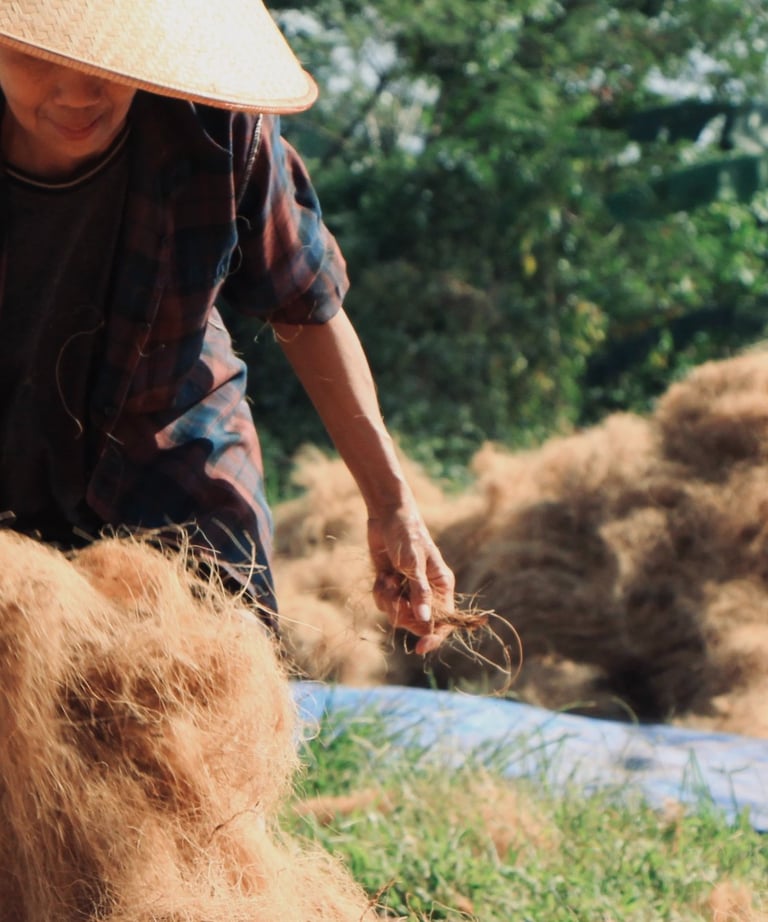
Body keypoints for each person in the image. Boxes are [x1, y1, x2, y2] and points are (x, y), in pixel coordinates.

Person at [0, 0, 454, 652]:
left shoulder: (215, 125)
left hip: (165, 450)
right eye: (40, 53)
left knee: (219, 669)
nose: (79, 90)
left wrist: (392, 505)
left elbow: (305, 304)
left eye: (105, 54)